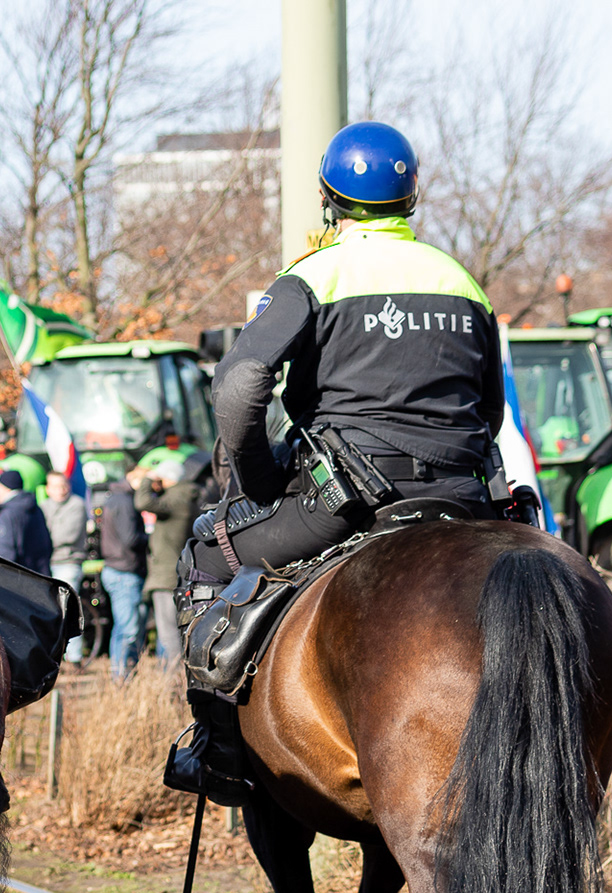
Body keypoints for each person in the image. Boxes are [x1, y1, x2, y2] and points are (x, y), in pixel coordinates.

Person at [168, 121, 513, 806]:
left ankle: (221, 752)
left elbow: (240, 384)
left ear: (330, 199)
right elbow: (491, 409)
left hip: (345, 500)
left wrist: (260, 476)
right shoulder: (462, 282)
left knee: (208, 553)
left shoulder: (314, 275)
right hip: (463, 499)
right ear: (410, 199)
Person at [134, 454, 201, 661]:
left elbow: (142, 501)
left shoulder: (175, 499)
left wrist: (148, 478)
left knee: (169, 634)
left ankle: (174, 683)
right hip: (177, 573)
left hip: (166, 576)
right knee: (177, 631)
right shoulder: (187, 495)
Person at [96, 475, 148, 678]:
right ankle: (121, 676)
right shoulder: (125, 501)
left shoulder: (115, 497)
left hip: (117, 567)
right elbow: (130, 538)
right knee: (128, 629)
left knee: (122, 627)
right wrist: (151, 537)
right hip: (124, 569)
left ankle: (121, 673)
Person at [40, 470, 89, 664]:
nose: (61, 490)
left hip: (68, 562)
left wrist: (45, 537)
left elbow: (65, 536)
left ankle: (74, 656)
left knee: (67, 609)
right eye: (56, 486)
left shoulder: (76, 505)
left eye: (64, 485)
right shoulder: (43, 506)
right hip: (46, 562)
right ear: (47, 489)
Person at [0, 468, 51, 573]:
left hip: (16, 577)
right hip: (39, 574)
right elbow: (46, 543)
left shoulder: (7, 513)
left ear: (6, 488)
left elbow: (5, 550)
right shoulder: (35, 508)